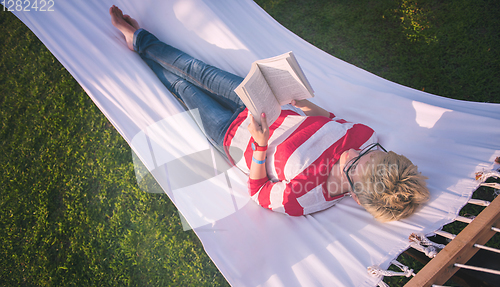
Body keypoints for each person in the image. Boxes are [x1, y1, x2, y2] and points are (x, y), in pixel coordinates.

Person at [109, 6, 430, 221]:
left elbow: (260, 193)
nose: (355, 151)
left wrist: (261, 144)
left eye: (356, 163)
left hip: (232, 136)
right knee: (196, 69)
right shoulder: (365, 137)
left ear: (357, 199)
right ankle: (138, 38)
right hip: (263, 103)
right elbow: (328, 119)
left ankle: (138, 44)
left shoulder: (306, 199)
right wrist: (301, 100)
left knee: (183, 89)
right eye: (372, 153)